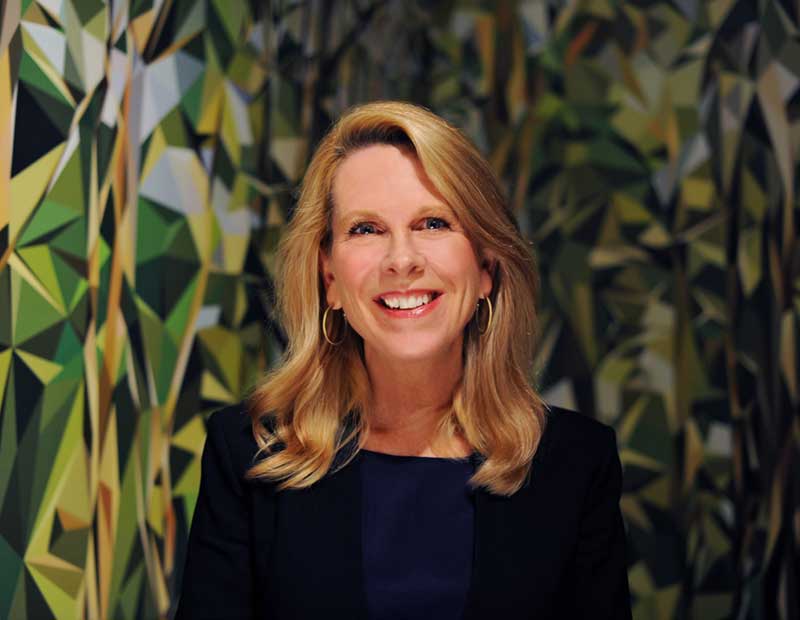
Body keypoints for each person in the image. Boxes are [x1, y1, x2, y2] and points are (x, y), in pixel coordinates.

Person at [176, 101, 631, 619]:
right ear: (330, 279)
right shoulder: (250, 454)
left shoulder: (575, 465)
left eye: (433, 223)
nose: (402, 259)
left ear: (485, 266)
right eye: (366, 229)